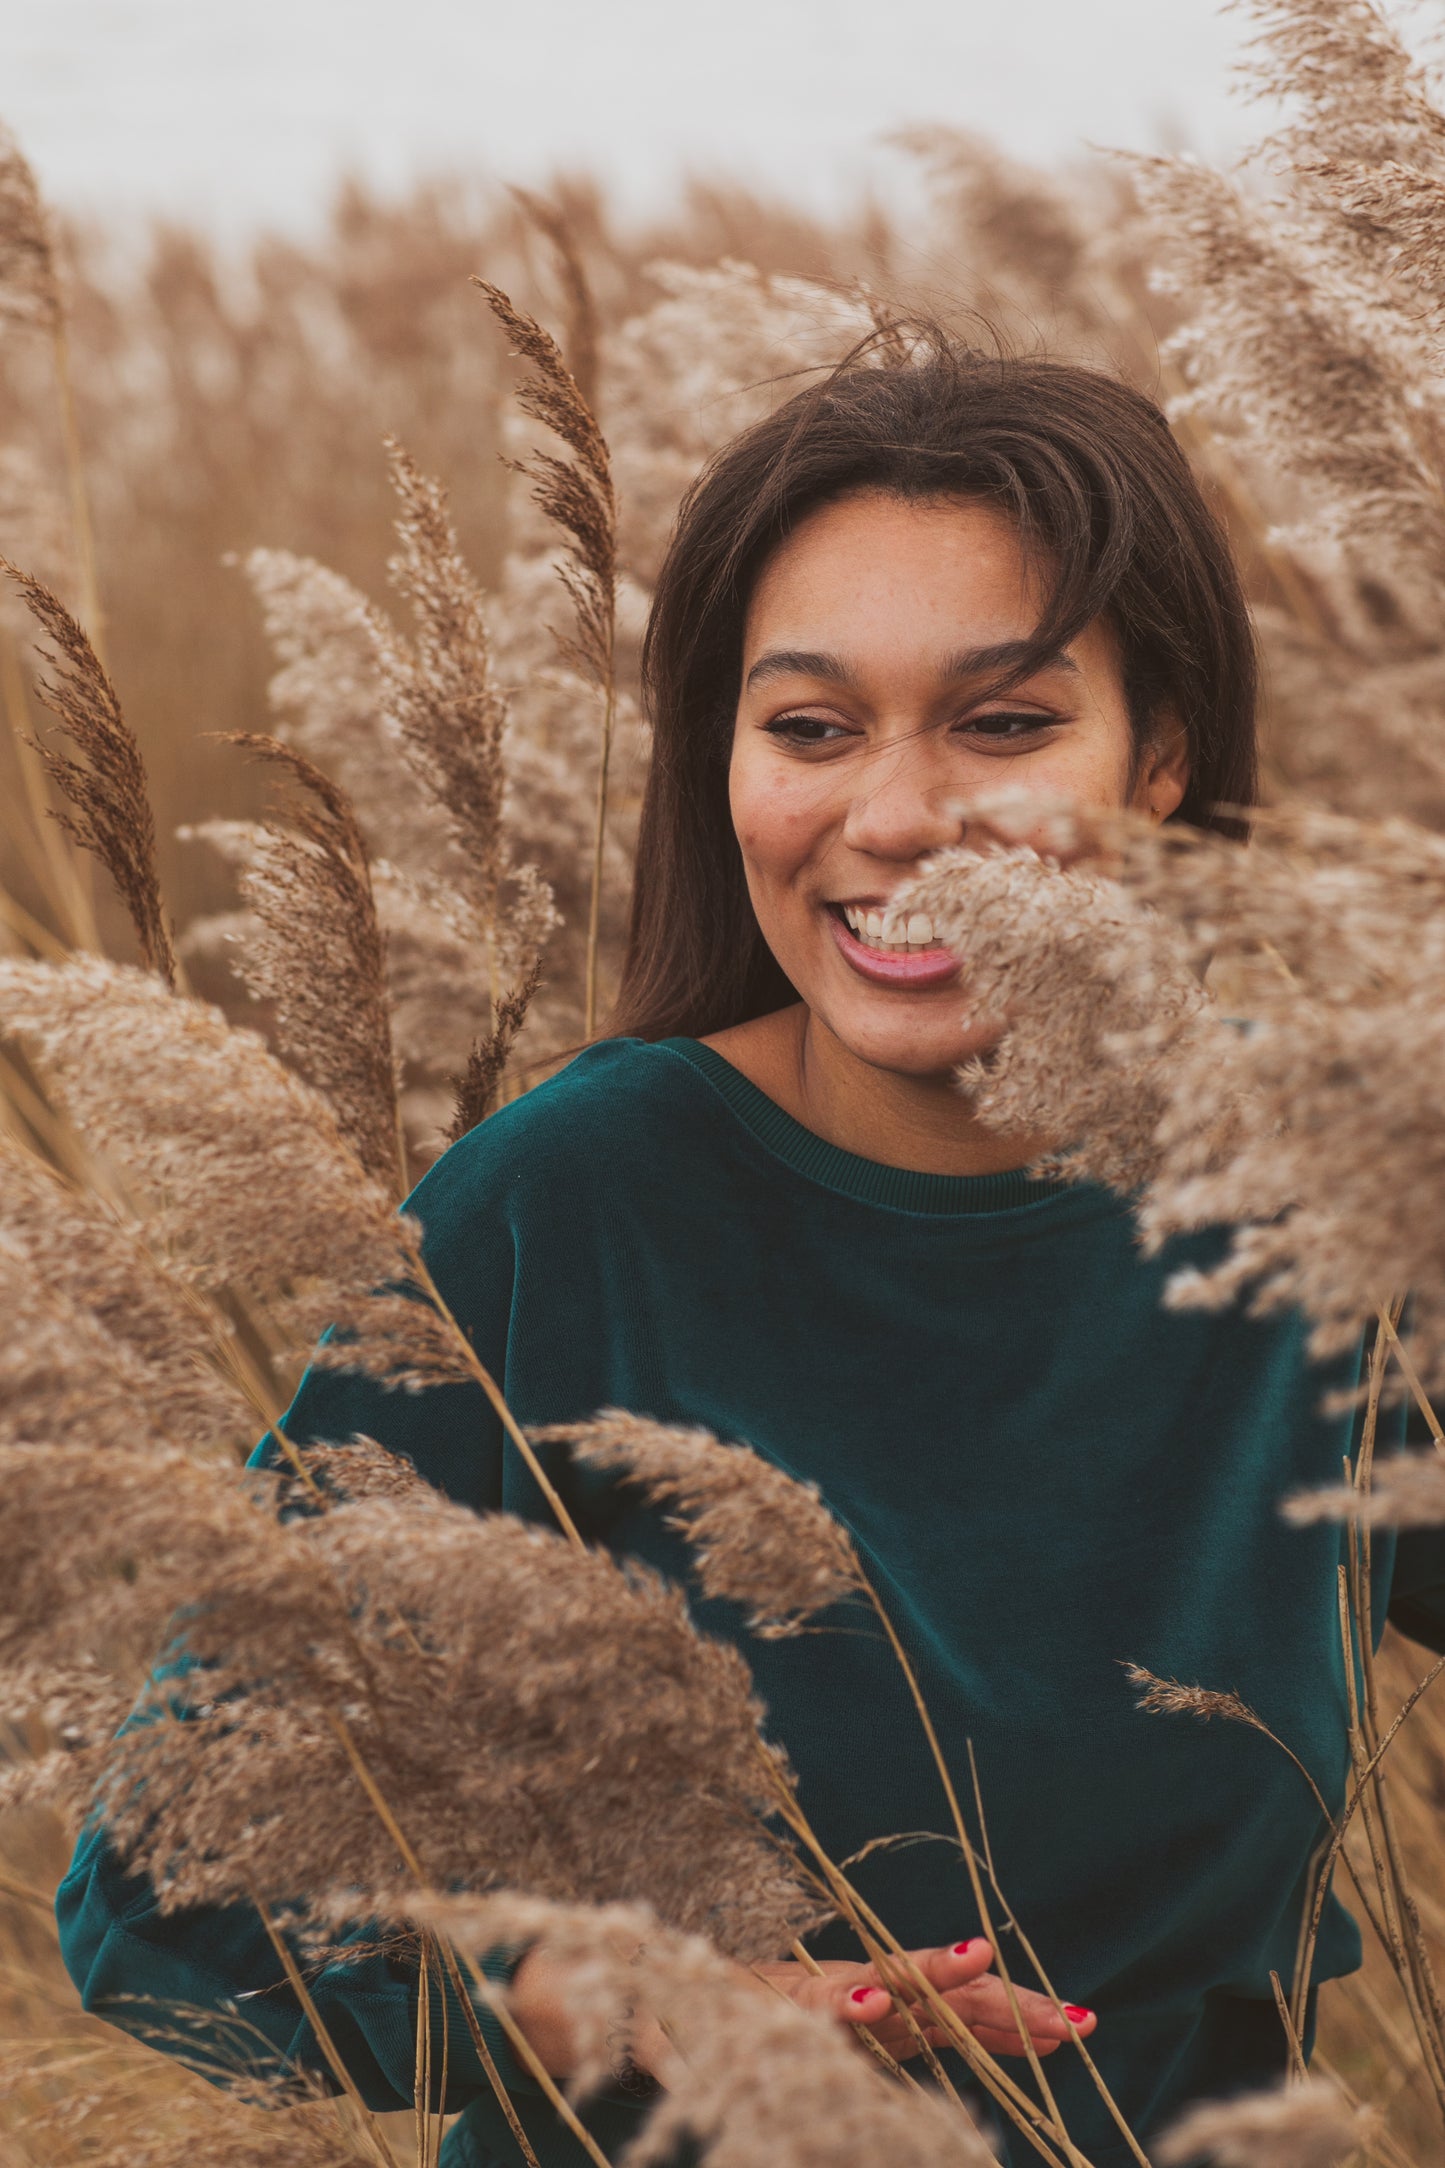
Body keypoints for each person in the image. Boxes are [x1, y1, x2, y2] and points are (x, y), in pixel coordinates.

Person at [57, 337, 1445, 2168]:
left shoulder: (1324, 1199)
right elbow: (157, 1900)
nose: (889, 818)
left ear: (1162, 758)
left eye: (1004, 722)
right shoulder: (563, 1212)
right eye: (809, 727)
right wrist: (651, 2009)